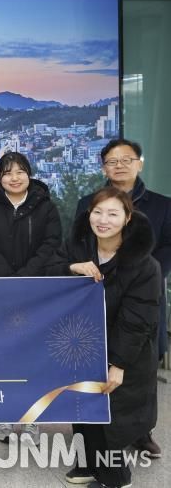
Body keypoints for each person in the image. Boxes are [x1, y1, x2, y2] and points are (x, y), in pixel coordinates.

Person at [49, 187, 160, 488]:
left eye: (113, 214)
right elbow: (46, 272)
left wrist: (118, 364)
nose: (103, 220)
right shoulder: (77, 247)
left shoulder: (144, 265)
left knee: (111, 416)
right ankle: (87, 464)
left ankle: (116, 478)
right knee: (82, 407)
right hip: (81, 347)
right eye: (97, 212)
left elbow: (137, 321)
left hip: (124, 351)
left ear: (127, 218)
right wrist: (71, 267)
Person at [75, 138, 171, 459]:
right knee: (98, 366)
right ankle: (97, 436)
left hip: (144, 294)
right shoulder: (88, 203)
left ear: (139, 164)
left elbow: (168, 246)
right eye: (112, 161)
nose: (119, 166)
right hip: (98, 295)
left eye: (126, 160)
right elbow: (77, 244)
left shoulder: (162, 204)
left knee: (140, 367)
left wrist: (147, 273)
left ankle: (141, 433)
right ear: (103, 167)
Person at [0, 151, 62, 446]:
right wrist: (7, 277)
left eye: (20, 171)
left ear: (29, 175)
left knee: (34, 354)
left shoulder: (45, 206)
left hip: (36, 291)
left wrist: (26, 275)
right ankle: (5, 413)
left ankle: (33, 418)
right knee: (2, 353)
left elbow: (51, 243)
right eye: (8, 172)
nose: (14, 177)